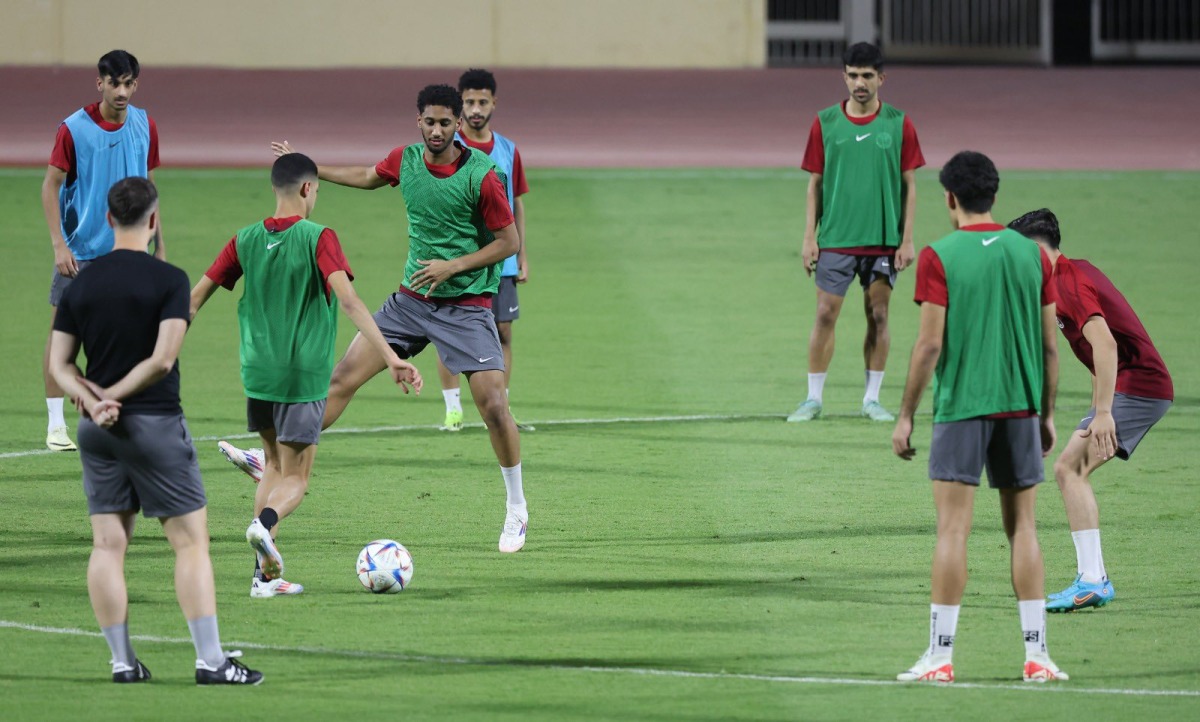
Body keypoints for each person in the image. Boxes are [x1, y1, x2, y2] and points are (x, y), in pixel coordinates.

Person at [225, 84, 528, 553]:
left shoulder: (482, 175)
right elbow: (367, 176)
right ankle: (275, 460)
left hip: (466, 306)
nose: (436, 130)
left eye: (445, 123)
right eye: (429, 121)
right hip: (411, 301)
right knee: (340, 379)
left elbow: (508, 242)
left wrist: (453, 265)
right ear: (418, 121)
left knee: (493, 405)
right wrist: (309, 167)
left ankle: (516, 508)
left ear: (457, 125)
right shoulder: (405, 160)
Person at [48, 177, 261, 685]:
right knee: (189, 544)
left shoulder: (82, 284)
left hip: (97, 431)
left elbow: (58, 364)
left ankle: (123, 663)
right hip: (154, 423)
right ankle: (210, 662)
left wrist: (93, 399)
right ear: (154, 220)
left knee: (106, 546)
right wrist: (115, 397)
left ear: (106, 219)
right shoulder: (168, 281)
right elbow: (163, 360)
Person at [191, 154, 423, 598]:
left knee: (272, 468)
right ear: (307, 189)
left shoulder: (242, 240)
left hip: (257, 375)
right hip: (303, 375)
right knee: (295, 478)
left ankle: (263, 580)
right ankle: (265, 526)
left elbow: (194, 298)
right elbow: (351, 301)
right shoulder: (320, 237)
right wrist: (392, 357)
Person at [891, 151, 1067, 683]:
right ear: (995, 194)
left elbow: (927, 347)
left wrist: (905, 416)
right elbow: (1050, 347)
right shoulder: (1032, 255)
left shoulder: (939, 256)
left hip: (962, 409)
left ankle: (940, 658)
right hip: (1020, 406)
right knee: (1025, 530)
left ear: (949, 198)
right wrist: (1047, 413)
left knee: (953, 532)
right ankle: (1037, 655)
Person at [1008, 209, 1173, 613]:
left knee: (1069, 469)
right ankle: (1094, 578)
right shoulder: (1064, 276)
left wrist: (1103, 413)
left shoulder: (1069, 282)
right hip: (1133, 384)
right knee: (1070, 470)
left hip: (1141, 385)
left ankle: (1093, 580)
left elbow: (1106, 345)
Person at [788, 42, 924, 423]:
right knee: (825, 313)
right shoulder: (826, 122)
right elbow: (814, 184)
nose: (859, 82)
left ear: (881, 78)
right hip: (835, 238)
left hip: (882, 240)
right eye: (852, 75)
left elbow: (909, 184)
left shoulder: (899, 123)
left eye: (867, 75)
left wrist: (907, 238)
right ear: (843, 76)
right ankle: (813, 399)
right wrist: (809, 237)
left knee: (879, 315)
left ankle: (871, 400)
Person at [41, 49, 164, 452]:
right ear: (100, 83)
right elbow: (50, 185)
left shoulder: (145, 124)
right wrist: (59, 244)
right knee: (64, 335)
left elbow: (149, 189)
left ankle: (124, 413)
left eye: (130, 83)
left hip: (132, 249)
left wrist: (159, 244)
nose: (123, 91)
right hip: (82, 251)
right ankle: (56, 425)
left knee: (135, 335)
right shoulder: (73, 129)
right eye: (115, 83)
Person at [436, 68, 534, 432]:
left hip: (501, 259)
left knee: (503, 332)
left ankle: (501, 406)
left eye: (482, 102)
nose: (476, 109)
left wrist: (521, 253)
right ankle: (453, 409)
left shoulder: (508, 149)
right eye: (469, 102)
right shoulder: (448, 146)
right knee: (448, 333)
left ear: (494, 103)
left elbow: (515, 203)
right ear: (460, 105)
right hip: (458, 257)